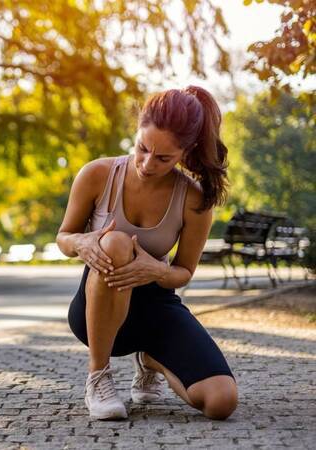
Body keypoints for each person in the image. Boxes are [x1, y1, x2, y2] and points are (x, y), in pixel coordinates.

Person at [56, 86, 237, 421]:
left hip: (156, 309)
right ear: (137, 131)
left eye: (163, 158)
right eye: (142, 148)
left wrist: (154, 270)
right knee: (116, 243)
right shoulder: (97, 174)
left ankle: (152, 358)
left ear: (186, 152)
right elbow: (64, 236)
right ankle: (99, 377)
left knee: (221, 401)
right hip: (96, 313)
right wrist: (82, 243)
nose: (147, 163)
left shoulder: (194, 199)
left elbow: (183, 272)